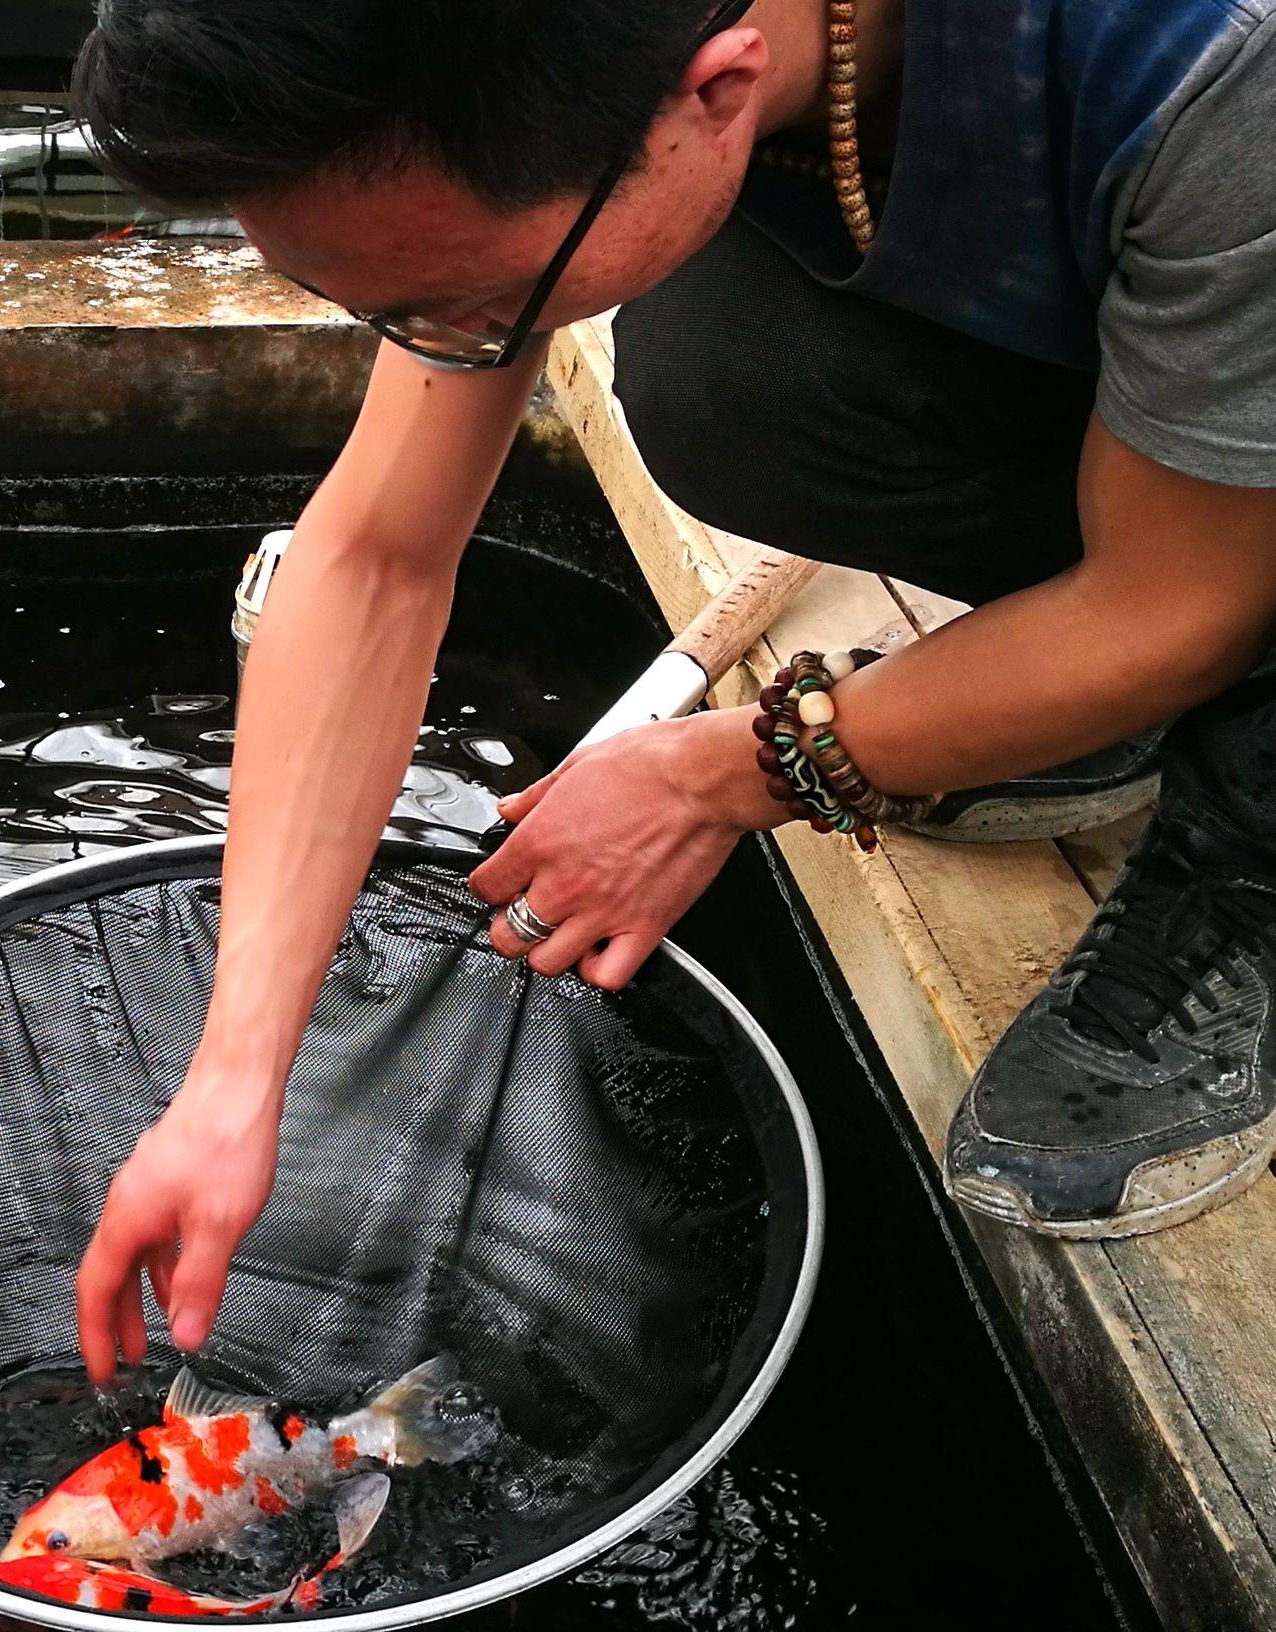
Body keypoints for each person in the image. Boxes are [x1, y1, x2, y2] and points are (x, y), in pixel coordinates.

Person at [66, 0, 1276, 1385]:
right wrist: (231, 1087)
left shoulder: (1209, 68)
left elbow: (1176, 606)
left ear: (713, 93)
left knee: (1205, 606)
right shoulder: (561, 67)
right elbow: (375, 554)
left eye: (464, 308)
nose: (433, 347)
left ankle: (1243, 839)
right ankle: (1081, 644)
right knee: (730, 382)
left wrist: (719, 770)